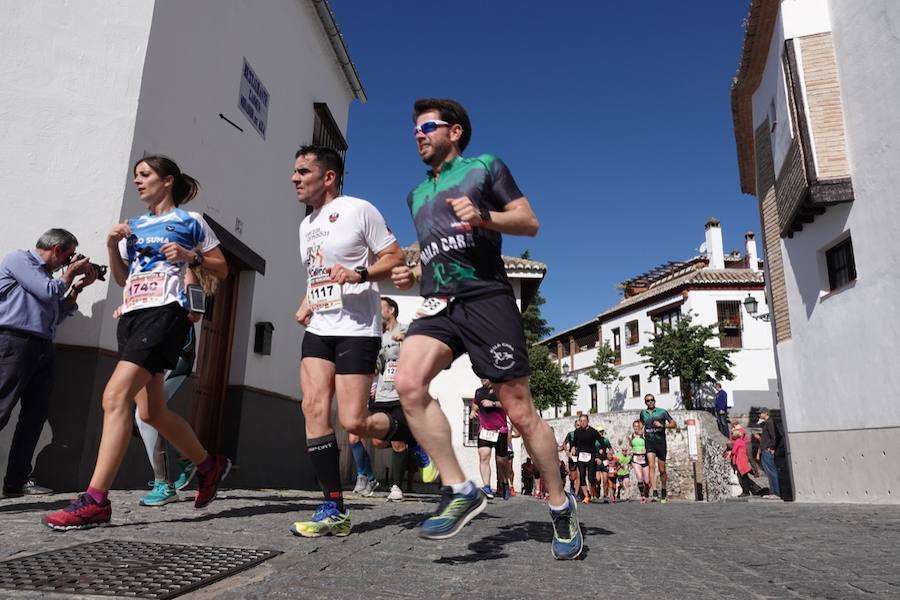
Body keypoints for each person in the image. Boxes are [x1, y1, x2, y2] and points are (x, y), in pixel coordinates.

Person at [391, 98, 582, 559]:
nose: (418, 134)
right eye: (415, 129)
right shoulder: (416, 195)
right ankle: (461, 489)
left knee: (519, 411)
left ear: (454, 132)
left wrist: (484, 217)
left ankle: (559, 505)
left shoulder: (484, 168)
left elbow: (529, 221)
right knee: (408, 384)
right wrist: (409, 274)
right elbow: (435, 253)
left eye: (428, 127)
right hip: (440, 303)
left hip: (487, 297)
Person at [44, 156, 231, 530]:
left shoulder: (190, 221)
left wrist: (189, 255)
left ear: (168, 180)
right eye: (136, 177)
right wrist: (112, 247)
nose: (138, 182)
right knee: (151, 413)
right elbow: (121, 278)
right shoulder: (135, 226)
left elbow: (220, 267)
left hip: (165, 315)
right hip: (132, 315)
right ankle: (210, 466)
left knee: (115, 399)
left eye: (145, 175)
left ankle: (95, 500)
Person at [289, 145, 406, 538]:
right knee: (312, 406)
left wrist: (360, 274)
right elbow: (318, 274)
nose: (295, 178)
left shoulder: (359, 210)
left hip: (357, 328)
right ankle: (333, 506)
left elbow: (395, 257)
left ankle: (404, 429)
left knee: (353, 420)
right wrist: (306, 302)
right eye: (295, 171)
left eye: (303, 171)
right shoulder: (306, 226)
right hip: (320, 327)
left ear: (329, 177)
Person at [0, 229, 98, 497]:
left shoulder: (50, 278)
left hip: (43, 346)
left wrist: (77, 287)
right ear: (56, 249)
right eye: (67, 257)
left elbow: (56, 314)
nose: (67, 264)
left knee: (34, 417)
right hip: (14, 342)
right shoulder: (19, 261)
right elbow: (47, 292)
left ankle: (16, 482)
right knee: (1, 409)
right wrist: (69, 275)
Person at [123, 267, 205, 506]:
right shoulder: (145, 268)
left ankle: (164, 483)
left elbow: (197, 311)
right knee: (138, 415)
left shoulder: (186, 272)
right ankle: (189, 456)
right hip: (150, 348)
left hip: (177, 352)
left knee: (145, 415)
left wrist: (172, 310)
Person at [370, 296, 438, 503]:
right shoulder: (377, 336)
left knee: (398, 441)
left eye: (379, 306)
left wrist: (406, 341)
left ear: (391, 310)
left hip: (402, 392)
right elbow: (377, 368)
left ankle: (396, 487)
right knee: (378, 440)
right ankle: (418, 444)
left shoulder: (407, 329)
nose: (376, 310)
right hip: (382, 393)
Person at [471, 378, 510, 500]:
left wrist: (493, 404)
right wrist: (472, 412)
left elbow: (508, 405)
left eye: (485, 376)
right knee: (483, 456)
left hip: (500, 430)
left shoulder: (501, 390)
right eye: (480, 376)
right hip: (485, 430)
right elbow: (475, 405)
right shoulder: (478, 392)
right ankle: (487, 486)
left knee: (501, 461)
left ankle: (505, 481)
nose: (482, 378)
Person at [640, 393, 676, 503]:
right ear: (645, 402)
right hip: (649, 443)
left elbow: (674, 424)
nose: (650, 402)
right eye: (647, 400)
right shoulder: (643, 413)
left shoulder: (662, 412)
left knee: (662, 470)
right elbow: (642, 425)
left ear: (655, 401)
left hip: (661, 443)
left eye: (652, 400)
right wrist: (639, 434)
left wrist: (662, 426)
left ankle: (663, 490)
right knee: (651, 466)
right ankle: (655, 492)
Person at [569, 414, 602, 505]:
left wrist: (601, 451)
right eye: (581, 421)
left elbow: (601, 441)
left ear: (588, 421)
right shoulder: (577, 431)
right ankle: (586, 496)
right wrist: (573, 447)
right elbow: (574, 442)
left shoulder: (593, 431)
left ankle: (595, 486)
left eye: (584, 420)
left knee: (591, 478)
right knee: (582, 476)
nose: (583, 422)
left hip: (591, 456)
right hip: (581, 456)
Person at [756, 407, 781, 499]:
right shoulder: (767, 422)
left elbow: (775, 436)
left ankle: (776, 493)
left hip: (767, 450)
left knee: (772, 471)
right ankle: (772, 492)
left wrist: (772, 447)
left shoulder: (770, 422)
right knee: (769, 472)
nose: (759, 415)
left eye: (761, 413)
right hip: (765, 449)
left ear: (766, 413)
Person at [727, 424, 754, 497]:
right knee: (744, 476)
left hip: (740, 460)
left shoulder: (737, 442)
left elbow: (733, 451)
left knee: (743, 477)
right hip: (743, 459)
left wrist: (730, 452)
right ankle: (746, 490)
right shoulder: (741, 441)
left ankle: (746, 491)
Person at [629, 420, 650, 504]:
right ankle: (642, 496)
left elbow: (649, 445)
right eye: (634, 426)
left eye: (637, 426)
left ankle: (646, 491)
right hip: (635, 458)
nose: (636, 428)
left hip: (644, 458)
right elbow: (630, 446)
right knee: (639, 477)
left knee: (647, 481)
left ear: (640, 427)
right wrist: (629, 452)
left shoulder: (644, 435)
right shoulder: (631, 436)